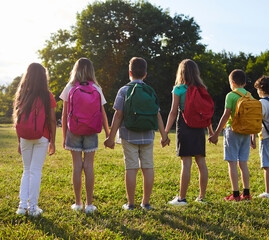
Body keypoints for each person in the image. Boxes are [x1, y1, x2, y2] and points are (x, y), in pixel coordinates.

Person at [104, 57, 169, 210]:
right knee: (148, 167)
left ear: (130, 72)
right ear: (145, 74)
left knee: (131, 168)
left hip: (128, 135)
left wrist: (111, 137)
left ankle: (131, 203)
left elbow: (118, 115)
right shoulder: (150, 90)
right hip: (147, 135)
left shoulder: (123, 90)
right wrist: (164, 136)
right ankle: (146, 203)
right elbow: (157, 115)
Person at [60, 58, 110, 214]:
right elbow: (103, 113)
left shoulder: (69, 87)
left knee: (76, 166)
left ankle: (78, 203)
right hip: (91, 131)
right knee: (89, 166)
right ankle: (89, 205)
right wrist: (108, 133)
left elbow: (64, 115)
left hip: (73, 130)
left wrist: (63, 136)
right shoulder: (96, 88)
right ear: (91, 71)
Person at [165, 59, 213, 205]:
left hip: (184, 126)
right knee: (201, 162)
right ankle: (201, 197)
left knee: (186, 163)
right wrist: (210, 131)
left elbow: (173, 112)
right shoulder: (202, 89)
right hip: (199, 128)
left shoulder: (178, 89)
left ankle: (182, 198)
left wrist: (166, 132)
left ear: (181, 72)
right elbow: (207, 114)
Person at [13, 63, 57, 216]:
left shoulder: (22, 94)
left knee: (26, 171)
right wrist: (53, 141)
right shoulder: (47, 95)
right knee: (36, 172)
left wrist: (19, 141)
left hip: (24, 137)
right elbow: (52, 120)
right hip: (42, 136)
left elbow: (17, 120)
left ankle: (21, 207)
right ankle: (33, 208)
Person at [209, 69, 252, 201]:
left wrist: (216, 134)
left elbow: (226, 115)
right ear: (244, 83)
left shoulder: (231, 95)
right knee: (243, 163)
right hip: (246, 132)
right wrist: (252, 137)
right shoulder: (250, 96)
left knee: (232, 163)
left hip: (232, 131)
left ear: (232, 83)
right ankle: (246, 193)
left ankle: (235, 195)